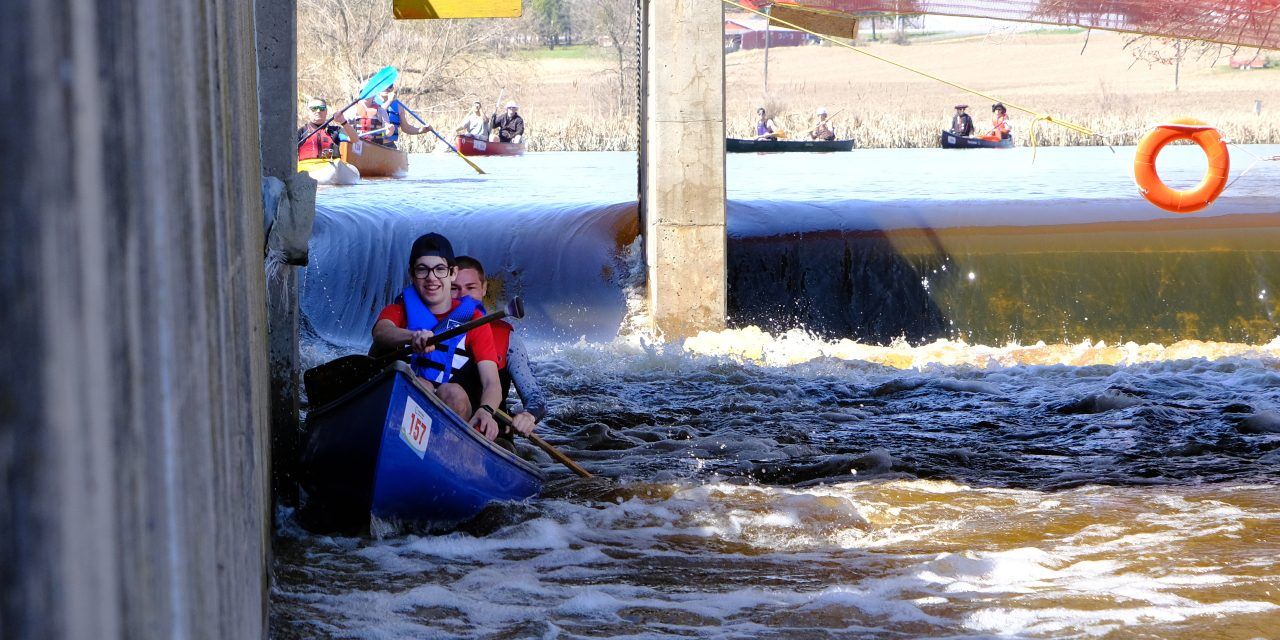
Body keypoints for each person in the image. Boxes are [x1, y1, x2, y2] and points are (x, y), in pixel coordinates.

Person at [370, 233, 502, 441]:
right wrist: (412, 336)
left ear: (452, 273)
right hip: (404, 406)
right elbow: (381, 331)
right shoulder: (397, 311)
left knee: (453, 393)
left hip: (452, 409)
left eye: (440, 269)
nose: (431, 278)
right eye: (422, 270)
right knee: (420, 385)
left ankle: (446, 450)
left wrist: (486, 410)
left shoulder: (474, 320)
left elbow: (491, 382)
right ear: (412, 275)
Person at [450, 256, 546, 443]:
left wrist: (528, 416)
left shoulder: (508, 341)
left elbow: (536, 399)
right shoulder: (426, 330)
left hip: (491, 435)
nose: (463, 296)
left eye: (471, 288)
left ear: (484, 288)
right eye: (454, 288)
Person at [344, 83, 431, 148]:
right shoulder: (369, 101)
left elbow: (406, 128)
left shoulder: (398, 106)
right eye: (384, 85)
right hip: (366, 142)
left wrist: (421, 130)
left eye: (390, 86)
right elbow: (376, 112)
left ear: (392, 88)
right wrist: (389, 101)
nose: (387, 88)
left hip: (388, 146)